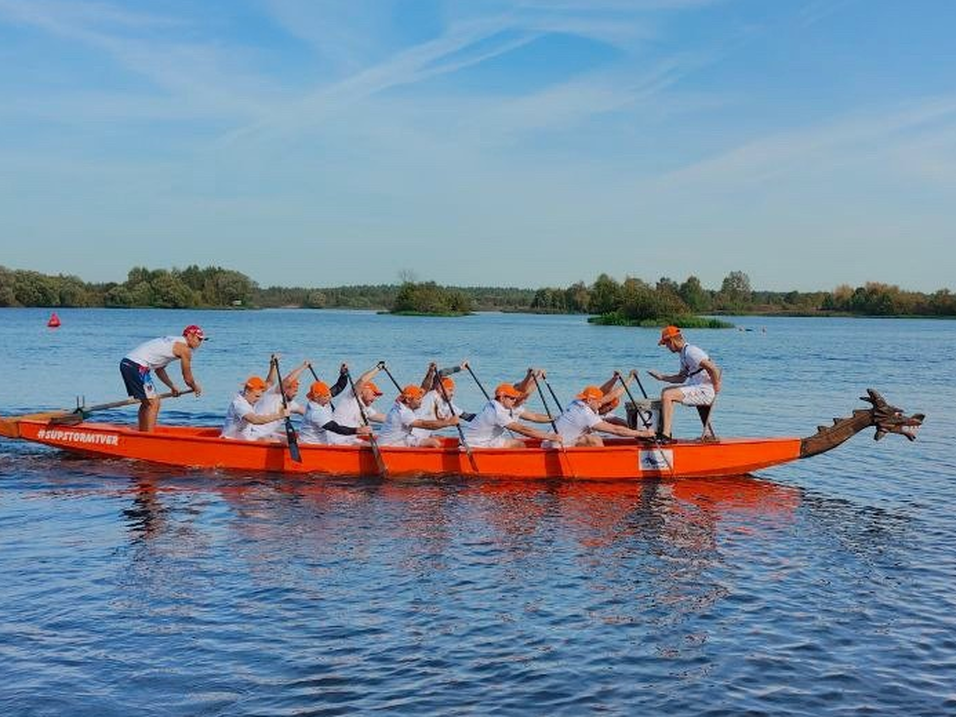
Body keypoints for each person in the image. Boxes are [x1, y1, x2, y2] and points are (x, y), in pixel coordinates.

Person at [120, 325, 205, 432]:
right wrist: (195, 387)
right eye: (199, 339)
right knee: (154, 403)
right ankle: (149, 439)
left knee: (147, 403)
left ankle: (142, 434)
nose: (200, 343)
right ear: (189, 335)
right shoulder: (184, 349)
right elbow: (187, 378)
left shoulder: (173, 341)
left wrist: (172, 386)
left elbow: (159, 370)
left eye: (202, 340)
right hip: (138, 366)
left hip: (126, 363)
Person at [648, 325, 721, 441]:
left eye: (665, 344)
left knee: (668, 395)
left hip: (705, 390)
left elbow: (713, 368)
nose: (666, 347)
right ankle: (705, 434)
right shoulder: (683, 353)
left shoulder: (691, 352)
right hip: (697, 387)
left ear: (671, 341)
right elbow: (681, 378)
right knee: (665, 391)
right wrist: (661, 377)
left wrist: (716, 385)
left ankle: (665, 435)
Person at [462, 379, 560, 448]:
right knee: (519, 445)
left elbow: (534, 416)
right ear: (502, 398)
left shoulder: (497, 404)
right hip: (475, 445)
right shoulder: (497, 412)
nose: (514, 400)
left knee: (517, 444)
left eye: (515, 398)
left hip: (488, 440)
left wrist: (557, 418)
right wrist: (550, 436)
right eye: (512, 398)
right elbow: (523, 429)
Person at [548, 386, 652, 447]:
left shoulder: (576, 402)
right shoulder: (587, 414)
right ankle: (603, 464)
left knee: (588, 437)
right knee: (595, 440)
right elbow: (616, 430)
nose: (600, 404)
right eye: (598, 401)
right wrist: (642, 434)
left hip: (550, 442)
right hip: (556, 447)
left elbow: (605, 391)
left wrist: (615, 379)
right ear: (589, 400)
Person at [245, 358, 311, 441]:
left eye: (296, 391)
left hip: (266, 434)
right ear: (286, 389)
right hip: (253, 434)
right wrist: (304, 366)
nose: (295, 394)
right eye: (293, 389)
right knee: (287, 442)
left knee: (296, 441)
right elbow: (287, 381)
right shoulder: (274, 394)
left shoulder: (291, 404)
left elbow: (308, 413)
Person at [299, 374, 373, 444]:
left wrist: (343, 375)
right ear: (317, 397)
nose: (329, 397)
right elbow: (336, 428)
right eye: (326, 396)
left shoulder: (322, 399)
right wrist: (357, 430)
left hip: (323, 442)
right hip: (311, 444)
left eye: (328, 394)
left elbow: (339, 387)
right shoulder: (316, 413)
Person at [412, 361, 476, 441]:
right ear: (440, 389)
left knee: (439, 437)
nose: (452, 394)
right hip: (411, 437)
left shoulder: (449, 405)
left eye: (453, 391)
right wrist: (459, 368)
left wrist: (488, 415)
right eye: (450, 390)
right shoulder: (430, 394)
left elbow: (468, 417)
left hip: (422, 438)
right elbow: (440, 374)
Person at [378, 385, 460, 447]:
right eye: (418, 399)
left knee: (436, 440)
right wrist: (448, 423)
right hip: (389, 445)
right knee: (434, 443)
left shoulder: (400, 405)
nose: (421, 401)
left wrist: (430, 373)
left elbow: (425, 387)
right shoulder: (403, 413)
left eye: (421, 398)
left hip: (402, 439)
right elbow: (425, 424)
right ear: (408, 400)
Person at [326, 363, 387, 445]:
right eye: (374, 394)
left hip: (348, 439)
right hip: (337, 440)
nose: (375, 399)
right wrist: (378, 368)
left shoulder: (365, 407)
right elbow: (362, 380)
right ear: (364, 391)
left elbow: (385, 418)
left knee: (380, 443)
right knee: (375, 446)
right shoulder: (352, 397)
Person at [220, 376, 291, 439]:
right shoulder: (239, 404)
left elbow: (270, 383)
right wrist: (280, 415)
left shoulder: (249, 398)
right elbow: (254, 420)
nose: (258, 399)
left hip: (246, 437)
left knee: (284, 439)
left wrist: (273, 365)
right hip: (231, 440)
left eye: (260, 396)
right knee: (272, 440)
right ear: (247, 391)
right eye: (257, 396)